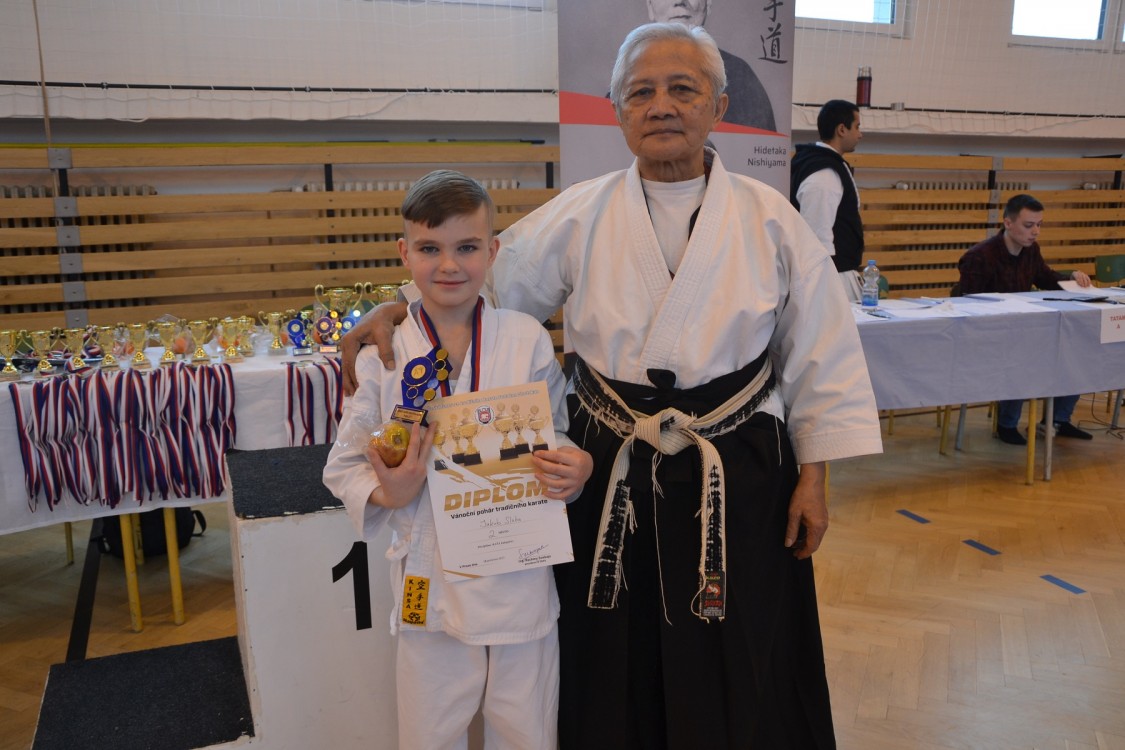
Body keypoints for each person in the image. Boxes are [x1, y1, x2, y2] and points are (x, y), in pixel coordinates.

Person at [343, 23, 882, 749]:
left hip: (737, 463)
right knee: (611, 646)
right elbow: (471, 282)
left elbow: (817, 351)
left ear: (718, 105)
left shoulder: (770, 219)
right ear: (618, 111)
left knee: (740, 638)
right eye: (640, 92)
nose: (661, 106)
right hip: (605, 459)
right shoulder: (582, 211)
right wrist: (397, 306)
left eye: (682, 89)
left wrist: (813, 478)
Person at [322, 170, 593, 749]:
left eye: (467, 247)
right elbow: (344, 465)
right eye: (429, 249)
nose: (449, 265)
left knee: (527, 730)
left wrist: (575, 466)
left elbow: (555, 432)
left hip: (519, 571)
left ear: (492, 253)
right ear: (405, 254)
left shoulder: (526, 337)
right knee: (429, 732)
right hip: (430, 574)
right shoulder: (383, 356)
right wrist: (389, 492)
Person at [958, 193, 1095, 445]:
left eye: (1039, 225)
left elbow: (1045, 278)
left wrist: (1071, 278)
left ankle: (1057, 419)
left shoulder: (1031, 251)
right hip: (988, 334)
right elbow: (967, 304)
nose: (1036, 232)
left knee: (1075, 350)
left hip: (1021, 329)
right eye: (1029, 225)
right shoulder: (979, 256)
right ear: (1008, 223)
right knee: (1024, 354)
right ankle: (1007, 423)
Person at [646, 0, 776, 131]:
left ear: (708, 4)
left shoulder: (740, 76)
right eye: (642, 92)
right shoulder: (635, 70)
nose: (680, 1)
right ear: (650, 6)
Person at [790, 100, 866, 301]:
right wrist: (824, 290)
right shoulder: (823, 173)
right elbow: (817, 235)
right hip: (831, 279)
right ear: (842, 129)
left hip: (835, 274)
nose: (860, 134)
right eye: (857, 127)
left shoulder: (825, 165)